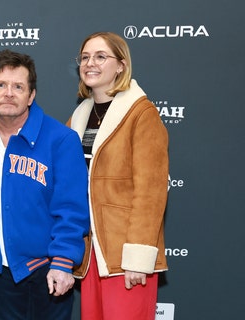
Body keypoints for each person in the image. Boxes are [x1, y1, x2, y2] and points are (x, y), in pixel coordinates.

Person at [0, 49, 90, 319]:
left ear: (31, 95)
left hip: (48, 270)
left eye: (18, 86)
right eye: (1, 85)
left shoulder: (60, 139)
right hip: (1, 271)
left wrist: (63, 262)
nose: (9, 93)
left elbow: (72, 208)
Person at [68, 31, 169, 320]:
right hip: (91, 256)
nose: (90, 63)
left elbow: (151, 192)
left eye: (101, 56)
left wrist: (138, 258)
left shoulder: (141, 114)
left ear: (121, 65)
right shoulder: (79, 117)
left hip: (125, 258)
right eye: (85, 57)